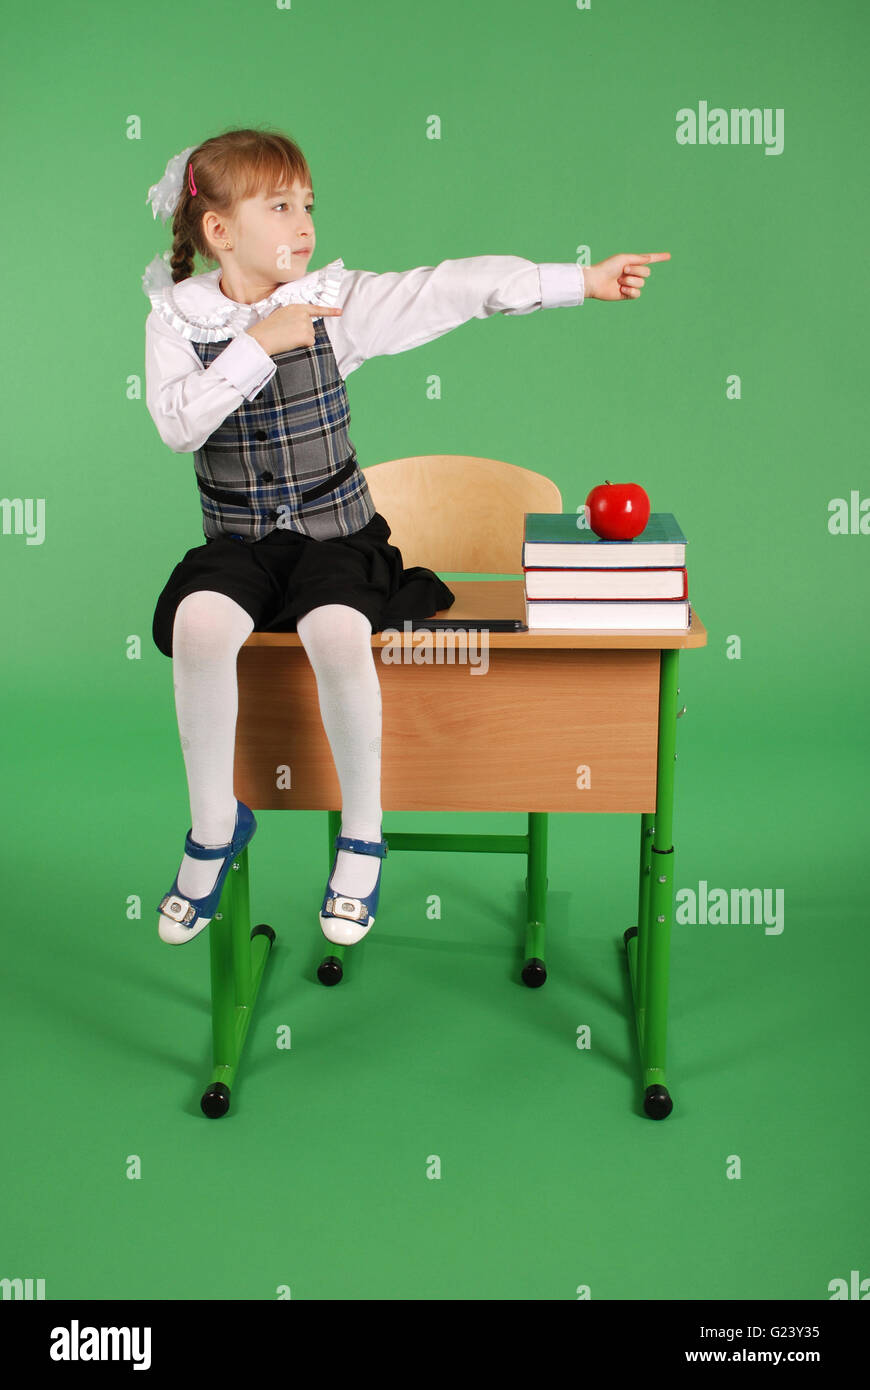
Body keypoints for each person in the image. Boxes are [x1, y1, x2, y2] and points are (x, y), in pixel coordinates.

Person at [142, 126, 670, 952]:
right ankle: (215, 822)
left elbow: (449, 287)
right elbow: (177, 425)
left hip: (336, 541)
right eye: (279, 206)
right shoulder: (179, 320)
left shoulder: (329, 302)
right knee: (198, 627)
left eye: (308, 204)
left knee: (335, 627)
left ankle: (363, 832)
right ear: (219, 230)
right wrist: (254, 348)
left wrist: (579, 281)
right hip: (240, 547)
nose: (304, 223)